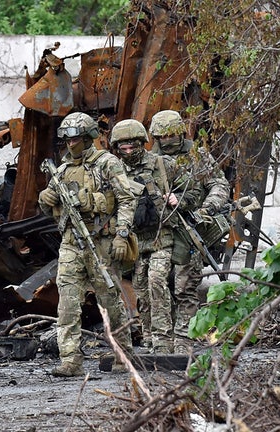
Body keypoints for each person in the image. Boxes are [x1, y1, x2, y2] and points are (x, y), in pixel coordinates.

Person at [37, 112, 136, 377]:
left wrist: (122, 234)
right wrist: (46, 200)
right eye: (67, 140)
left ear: (89, 137)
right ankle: (70, 360)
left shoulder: (107, 164)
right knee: (67, 303)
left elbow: (126, 199)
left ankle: (123, 354)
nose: (71, 144)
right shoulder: (61, 171)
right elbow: (51, 211)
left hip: (101, 241)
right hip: (70, 243)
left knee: (110, 301)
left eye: (76, 139)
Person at [110, 119, 201, 354]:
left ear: (142, 143)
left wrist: (177, 198)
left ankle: (163, 339)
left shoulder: (162, 164)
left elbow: (193, 189)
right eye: (124, 148)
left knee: (157, 281)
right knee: (140, 289)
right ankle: (149, 336)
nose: (129, 152)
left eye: (133, 147)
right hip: (136, 241)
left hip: (162, 236)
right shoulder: (115, 171)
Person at [149, 110, 231, 353]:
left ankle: (184, 341)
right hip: (159, 231)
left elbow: (218, 184)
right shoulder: (149, 159)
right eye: (162, 136)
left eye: (172, 135)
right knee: (156, 285)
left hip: (190, 227)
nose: (167, 140)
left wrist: (207, 208)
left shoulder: (196, 155)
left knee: (185, 286)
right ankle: (159, 341)